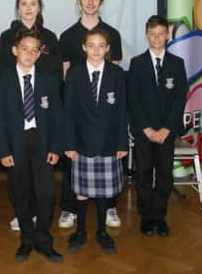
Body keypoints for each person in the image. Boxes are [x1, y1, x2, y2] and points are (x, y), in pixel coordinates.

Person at [0, 0, 62, 231]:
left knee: (43, 181)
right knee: (19, 180)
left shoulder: (50, 37)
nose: (28, 8)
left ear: (39, 7)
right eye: (24, 3)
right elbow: (0, 70)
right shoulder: (6, 36)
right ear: (18, 7)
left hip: (42, 111)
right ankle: (22, 213)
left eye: (33, 3)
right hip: (16, 112)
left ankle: (39, 217)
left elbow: (57, 73)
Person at [58, 0, 124, 229]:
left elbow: (115, 82)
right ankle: (69, 208)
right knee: (73, 165)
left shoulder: (112, 34)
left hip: (104, 113)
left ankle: (109, 208)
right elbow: (66, 77)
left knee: (108, 165)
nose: (90, 2)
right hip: (79, 114)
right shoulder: (66, 36)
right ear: (79, 1)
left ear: (101, 2)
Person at [63, 29, 128, 254]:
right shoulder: (74, 73)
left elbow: (122, 112)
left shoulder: (117, 74)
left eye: (101, 46)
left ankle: (101, 231)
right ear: (84, 47)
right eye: (91, 45)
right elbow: (68, 112)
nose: (96, 50)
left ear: (108, 48)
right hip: (81, 143)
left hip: (109, 143)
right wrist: (69, 144)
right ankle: (80, 231)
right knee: (81, 191)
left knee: (104, 191)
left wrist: (122, 144)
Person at [127, 15, 187, 237]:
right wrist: (146, 129)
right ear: (146, 35)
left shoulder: (177, 64)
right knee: (143, 174)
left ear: (168, 36)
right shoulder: (137, 63)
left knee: (164, 174)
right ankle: (146, 217)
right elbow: (132, 100)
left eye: (161, 34)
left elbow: (180, 99)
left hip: (166, 132)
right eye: (152, 34)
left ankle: (160, 217)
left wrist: (166, 129)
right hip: (144, 132)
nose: (157, 38)